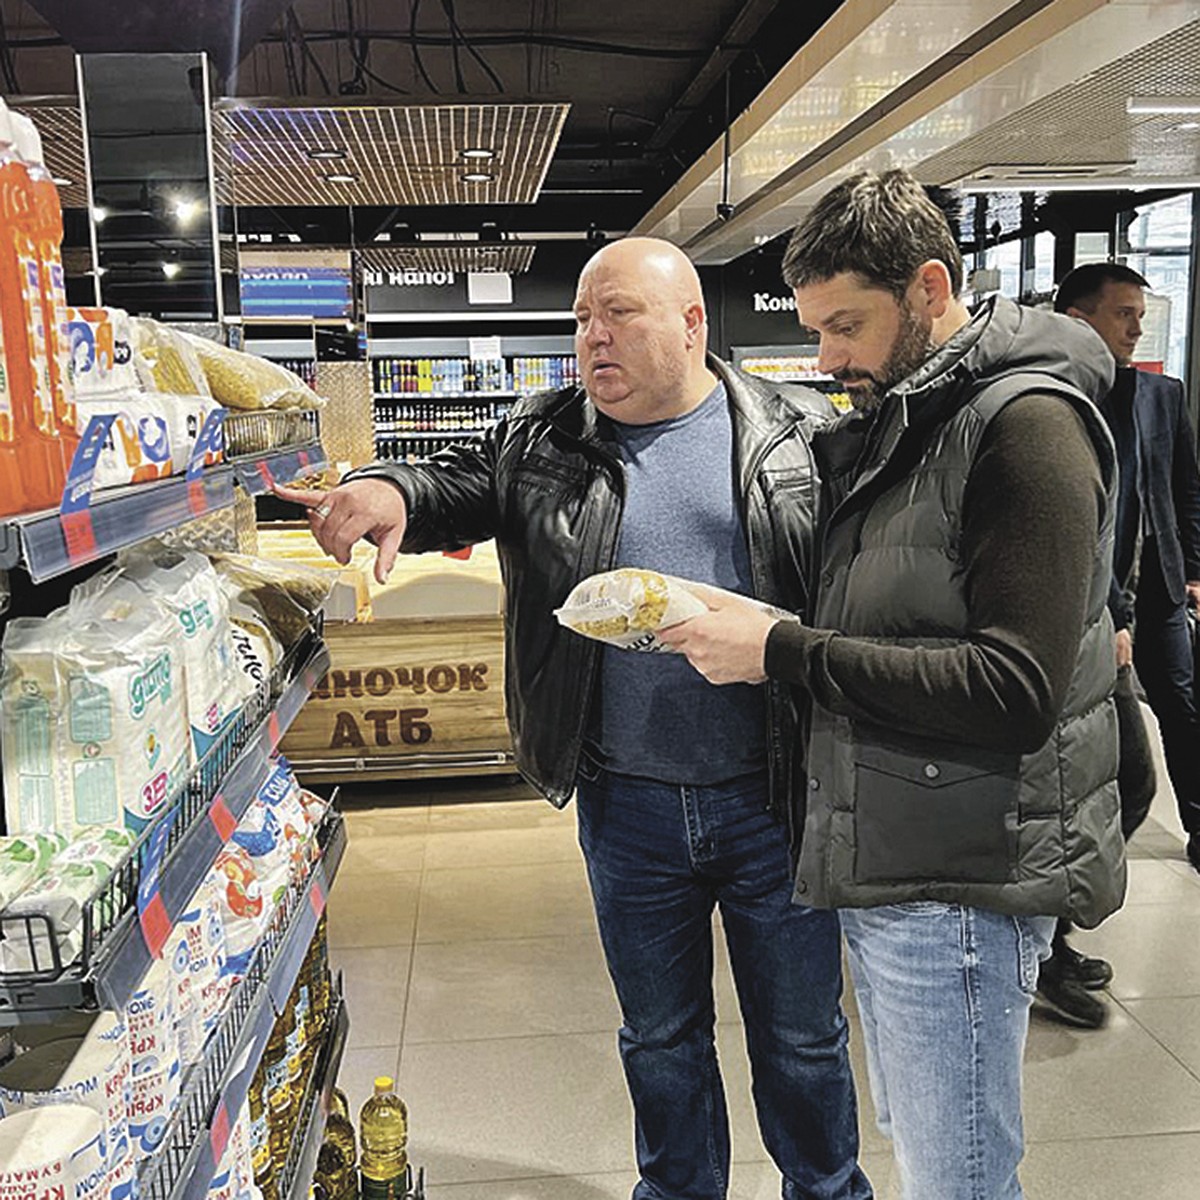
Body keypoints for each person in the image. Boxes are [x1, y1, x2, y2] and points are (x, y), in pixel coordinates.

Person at [276, 237, 872, 1200]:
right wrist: (388, 488)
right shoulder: (542, 439)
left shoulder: (801, 433)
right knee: (661, 1037)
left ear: (691, 323)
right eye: (582, 319)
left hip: (778, 796)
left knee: (804, 1039)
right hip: (626, 803)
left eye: (619, 315)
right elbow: (451, 484)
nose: (592, 336)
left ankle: (828, 1189)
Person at [658, 170, 1127, 1200]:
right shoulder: (917, 415)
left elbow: (1015, 685)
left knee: (957, 1176)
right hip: (905, 852)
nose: (827, 357)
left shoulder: (1025, 427)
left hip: (962, 879)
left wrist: (779, 650)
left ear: (927, 287)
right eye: (817, 328)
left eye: (847, 325)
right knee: (933, 1155)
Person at [1033, 262, 1200, 1028]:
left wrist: (1186, 575)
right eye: (1124, 314)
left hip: (1141, 600)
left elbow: (1171, 493)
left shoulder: (1151, 395)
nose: (1137, 327)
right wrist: (1111, 615)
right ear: (1076, 317)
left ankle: (1050, 938)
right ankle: (1043, 943)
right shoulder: (1047, 401)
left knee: (1162, 739)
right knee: (1114, 781)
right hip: (1085, 620)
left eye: (1142, 313)